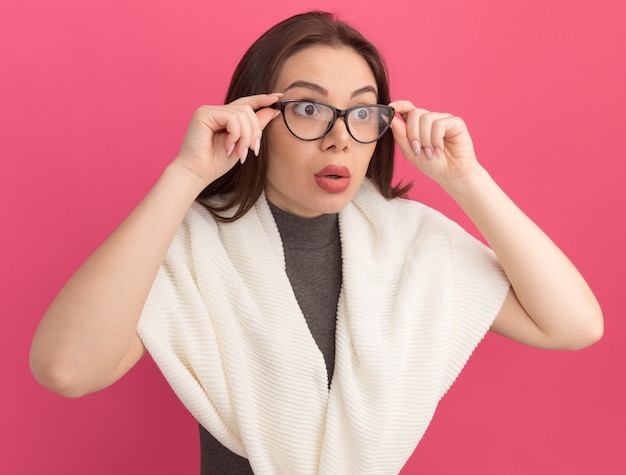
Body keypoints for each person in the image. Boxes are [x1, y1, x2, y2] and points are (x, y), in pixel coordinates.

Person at [29, 10, 603, 474]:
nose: (339, 138)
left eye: (362, 113)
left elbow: (575, 325)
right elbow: (66, 369)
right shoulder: (190, 249)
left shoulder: (411, 247)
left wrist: (467, 180)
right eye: (308, 108)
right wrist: (185, 177)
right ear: (254, 116)